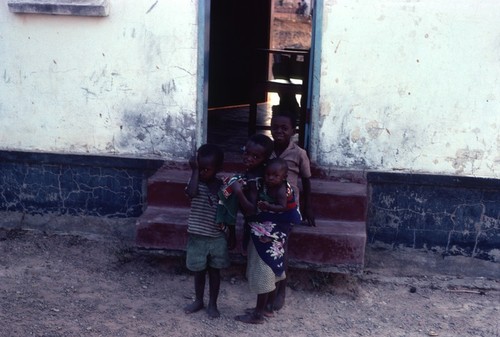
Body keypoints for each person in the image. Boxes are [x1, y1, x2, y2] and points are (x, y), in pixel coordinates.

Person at [232, 158, 301, 324]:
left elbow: (283, 208)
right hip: (270, 233)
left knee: (264, 273)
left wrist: (267, 207)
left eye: (275, 176)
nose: (270, 178)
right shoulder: (263, 185)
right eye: (268, 175)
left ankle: (257, 314)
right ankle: (267, 308)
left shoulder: (282, 190)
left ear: (284, 177)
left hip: (273, 232)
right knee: (270, 270)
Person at [270, 112, 316, 311]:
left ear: (293, 131)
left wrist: (308, 207)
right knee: (266, 247)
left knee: (282, 248)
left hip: (288, 207)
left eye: (284, 128)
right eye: (275, 127)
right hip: (267, 205)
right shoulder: (266, 150)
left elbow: (306, 180)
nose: (279, 131)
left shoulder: (299, 153)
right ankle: (267, 289)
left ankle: (281, 290)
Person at [183, 144, 234, 319]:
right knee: (199, 271)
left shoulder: (224, 188)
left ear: (218, 168)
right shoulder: (195, 184)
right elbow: (190, 193)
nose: (203, 172)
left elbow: (230, 213)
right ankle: (198, 300)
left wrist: (232, 234)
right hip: (197, 238)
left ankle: (213, 303)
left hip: (217, 238)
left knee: (214, 272)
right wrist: (195, 171)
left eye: (206, 169)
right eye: (200, 168)